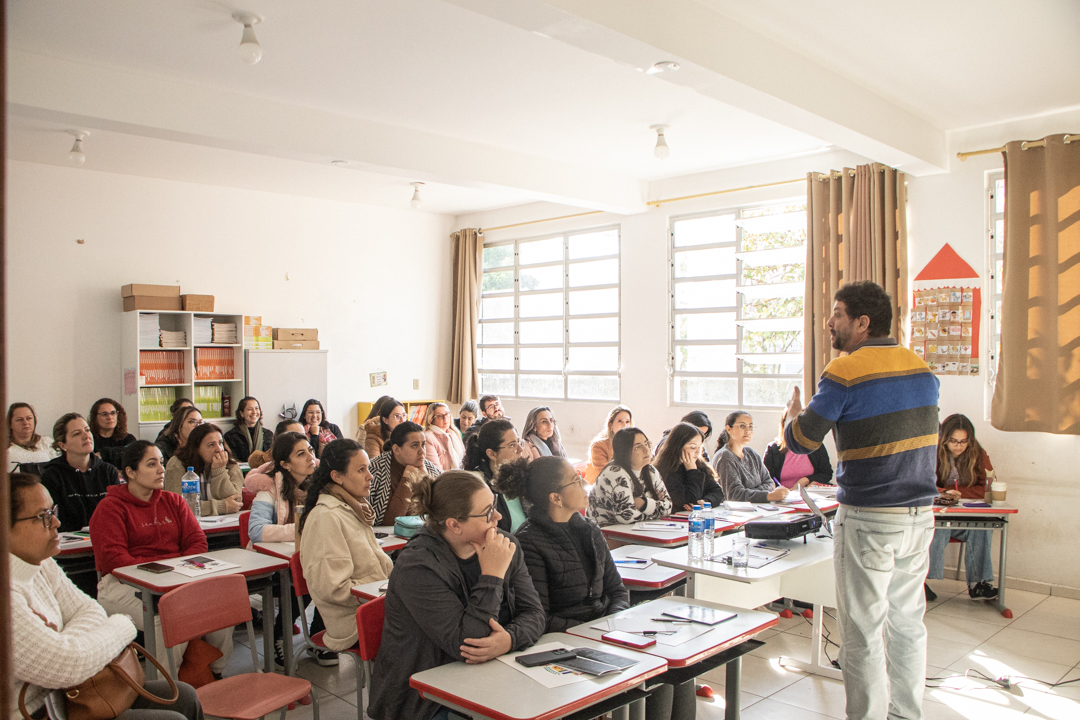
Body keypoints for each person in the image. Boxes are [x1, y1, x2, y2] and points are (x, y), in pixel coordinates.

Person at [783, 280, 940, 720]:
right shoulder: (920, 367)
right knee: (908, 624)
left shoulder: (844, 370)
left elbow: (802, 442)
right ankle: (906, 714)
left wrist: (792, 417)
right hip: (919, 516)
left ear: (862, 322)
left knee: (862, 631)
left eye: (837, 313)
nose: (830, 322)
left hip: (871, 516)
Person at [10, 472, 204, 720]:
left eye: (53, 512)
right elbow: (71, 665)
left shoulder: (42, 564)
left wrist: (68, 643)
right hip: (36, 711)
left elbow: (89, 611)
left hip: (77, 691)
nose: (57, 523)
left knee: (184, 696)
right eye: (44, 517)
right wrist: (122, 623)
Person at [367, 471, 545, 720]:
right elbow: (467, 643)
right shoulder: (417, 566)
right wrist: (492, 575)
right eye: (486, 513)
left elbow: (535, 613)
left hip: (492, 676)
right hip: (425, 698)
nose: (498, 516)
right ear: (454, 524)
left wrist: (509, 640)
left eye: (494, 505)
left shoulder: (504, 545)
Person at [92, 441, 233, 675]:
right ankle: (168, 686)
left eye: (161, 462)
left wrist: (176, 572)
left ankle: (213, 671)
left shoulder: (174, 501)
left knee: (222, 603)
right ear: (130, 472)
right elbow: (113, 560)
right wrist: (163, 575)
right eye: (151, 464)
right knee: (166, 616)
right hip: (123, 584)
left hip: (176, 578)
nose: (161, 469)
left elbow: (197, 542)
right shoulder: (110, 508)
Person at [298, 440, 392, 658]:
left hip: (375, 602)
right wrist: (381, 590)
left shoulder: (353, 507)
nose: (370, 476)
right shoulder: (326, 517)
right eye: (361, 470)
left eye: (368, 468)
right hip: (352, 620)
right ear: (337, 476)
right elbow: (334, 588)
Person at [246, 431, 328, 667]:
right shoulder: (270, 487)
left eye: (311, 451)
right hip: (274, 563)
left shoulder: (320, 485)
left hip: (309, 555)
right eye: (301, 454)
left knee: (330, 570)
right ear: (285, 464)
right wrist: (301, 528)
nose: (310, 457)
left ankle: (319, 635)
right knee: (302, 576)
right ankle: (279, 637)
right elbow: (257, 531)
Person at [927, 414, 998, 601]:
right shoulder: (932, 452)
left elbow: (987, 488)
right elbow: (923, 484)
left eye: (963, 441)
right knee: (938, 528)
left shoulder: (978, 454)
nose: (958, 446)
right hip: (939, 516)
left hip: (965, 517)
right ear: (944, 440)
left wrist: (961, 493)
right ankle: (921, 582)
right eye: (953, 441)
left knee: (981, 528)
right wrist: (944, 492)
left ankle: (979, 584)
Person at [41, 413, 120, 532]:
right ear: (63, 445)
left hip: (107, 537)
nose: (86, 436)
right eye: (77, 434)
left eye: (87, 430)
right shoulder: (52, 476)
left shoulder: (108, 471)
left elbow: (117, 514)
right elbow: (56, 520)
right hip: (69, 542)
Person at [588, 427, 672, 526]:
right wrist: (655, 506)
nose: (646, 450)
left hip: (636, 530)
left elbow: (669, 507)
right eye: (638, 447)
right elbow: (627, 516)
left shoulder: (650, 470)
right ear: (624, 451)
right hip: (605, 533)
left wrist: (644, 504)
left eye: (646, 444)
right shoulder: (614, 473)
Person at [368, 422, 442, 525]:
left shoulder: (430, 469)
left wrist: (426, 480)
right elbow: (391, 523)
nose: (422, 451)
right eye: (415, 445)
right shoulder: (374, 471)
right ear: (396, 450)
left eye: (423, 445)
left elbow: (440, 514)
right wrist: (407, 480)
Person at [163, 424, 243, 516]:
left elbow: (235, 502)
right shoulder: (177, 464)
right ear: (196, 449)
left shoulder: (231, 464)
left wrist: (219, 471)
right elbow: (176, 506)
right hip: (187, 524)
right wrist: (220, 506)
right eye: (211, 445)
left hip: (224, 523)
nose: (219, 449)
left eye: (220, 443)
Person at [463, 419, 527, 532]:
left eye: (519, 442)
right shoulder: (480, 486)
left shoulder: (520, 476)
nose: (520, 449)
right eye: (512, 445)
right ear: (492, 454)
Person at [714, 411, 790, 503]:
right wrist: (769, 496)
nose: (748, 431)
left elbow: (769, 483)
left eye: (750, 427)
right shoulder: (725, 457)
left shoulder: (751, 454)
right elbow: (734, 494)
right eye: (742, 426)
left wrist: (749, 492)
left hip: (758, 508)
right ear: (729, 429)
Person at [655, 422, 724, 511]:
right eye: (692, 447)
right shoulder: (666, 470)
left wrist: (706, 502)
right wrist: (692, 471)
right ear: (678, 447)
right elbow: (690, 500)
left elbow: (718, 491)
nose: (698, 451)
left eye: (700, 447)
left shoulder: (700, 465)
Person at [763, 408, 833, 489]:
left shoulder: (816, 446)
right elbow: (766, 480)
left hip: (810, 496)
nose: (796, 427)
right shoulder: (772, 449)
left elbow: (827, 473)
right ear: (784, 426)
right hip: (782, 497)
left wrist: (806, 480)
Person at [245, 419, 308, 493]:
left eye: (303, 436)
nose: (300, 441)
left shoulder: (313, 463)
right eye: (294, 436)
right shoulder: (266, 468)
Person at [584, 405, 633, 484]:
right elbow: (605, 475)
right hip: (601, 487)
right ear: (610, 424)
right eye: (620, 421)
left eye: (627, 422)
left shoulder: (632, 443)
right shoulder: (599, 445)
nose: (624, 425)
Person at [7, 402, 58, 471]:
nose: (25, 423)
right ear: (10, 424)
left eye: (29, 418)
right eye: (19, 419)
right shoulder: (4, 447)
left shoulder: (46, 443)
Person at [223, 396, 273, 465]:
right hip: (241, 474)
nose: (254, 412)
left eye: (256, 408)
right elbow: (232, 461)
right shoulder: (230, 436)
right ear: (241, 413)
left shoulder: (269, 435)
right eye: (250, 409)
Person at [424, 402, 464, 471]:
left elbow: (464, 459)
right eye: (440, 416)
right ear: (431, 419)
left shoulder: (454, 433)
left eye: (447, 414)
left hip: (459, 476)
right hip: (442, 479)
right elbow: (436, 471)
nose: (445, 418)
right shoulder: (428, 438)